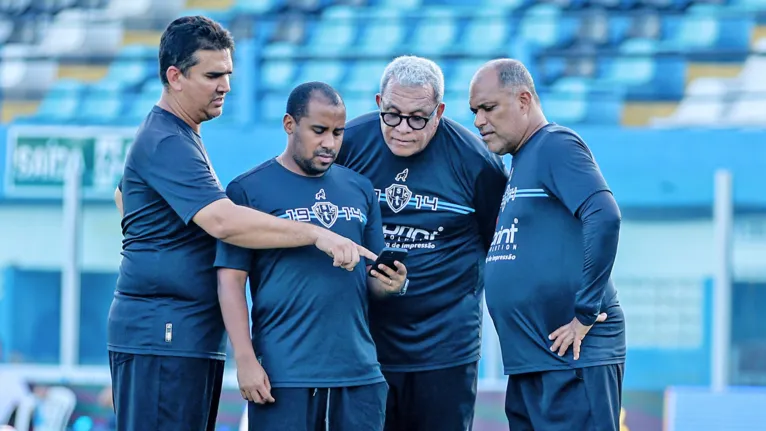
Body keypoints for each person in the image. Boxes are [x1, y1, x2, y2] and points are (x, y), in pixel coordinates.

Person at [108, 17, 373, 431]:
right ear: (175, 77)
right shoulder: (166, 140)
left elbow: (122, 195)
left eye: (228, 74)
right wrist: (316, 233)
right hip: (164, 334)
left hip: (186, 335)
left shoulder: (179, 136)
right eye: (213, 75)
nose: (226, 86)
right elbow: (222, 221)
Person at [215, 81, 408, 431]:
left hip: (358, 373)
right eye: (319, 130)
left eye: (337, 132)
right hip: (283, 376)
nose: (329, 143)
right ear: (290, 125)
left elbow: (373, 283)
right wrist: (244, 359)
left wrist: (393, 285)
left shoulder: (360, 188)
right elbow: (230, 280)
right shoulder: (248, 189)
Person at [335, 55, 509, 431]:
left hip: (445, 348)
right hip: (364, 346)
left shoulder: (477, 162)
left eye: (418, 118)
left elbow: (500, 247)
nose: (402, 129)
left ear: (439, 111)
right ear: (379, 103)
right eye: (392, 115)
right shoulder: (346, 145)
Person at [469, 58, 626, 431]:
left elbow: (604, 215)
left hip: (573, 359)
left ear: (524, 100)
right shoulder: (521, 162)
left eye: (489, 108)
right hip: (533, 360)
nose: (478, 121)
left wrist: (585, 312)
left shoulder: (555, 144)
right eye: (474, 111)